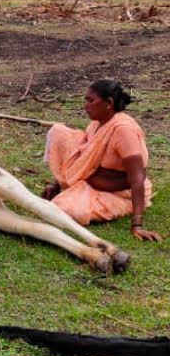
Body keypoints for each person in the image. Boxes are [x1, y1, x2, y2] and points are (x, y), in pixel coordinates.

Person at [42, 80, 161, 242]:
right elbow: (81, 157)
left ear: (109, 103)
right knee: (58, 132)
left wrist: (137, 225)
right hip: (90, 180)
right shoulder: (96, 123)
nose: (86, 106)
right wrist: (55, 183)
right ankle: (71, 186)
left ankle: (126, 205)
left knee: (66, 210)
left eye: (91, 101)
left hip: (118, 193)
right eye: (86, 100)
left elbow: (137, 178)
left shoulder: (124, 130)